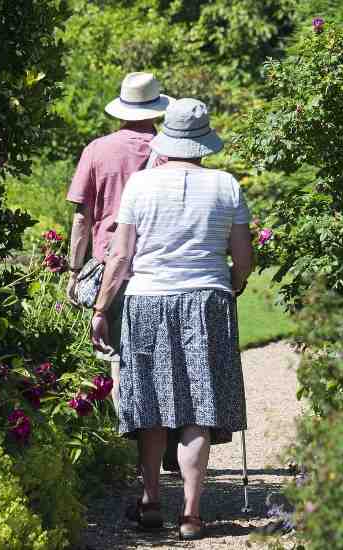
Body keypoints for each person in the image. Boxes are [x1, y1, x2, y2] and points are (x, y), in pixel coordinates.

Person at [90, 98, 253, 540]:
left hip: (147, 301)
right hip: (206, 301)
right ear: (203, 141)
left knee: (151, 405)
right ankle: (192, 514)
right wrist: (232, 285)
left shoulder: (140, 186)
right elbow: (243, 257)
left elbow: (120, 255)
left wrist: (102, 309)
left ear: (168, 137)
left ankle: (150, 503)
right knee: (199, 406)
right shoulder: (226, 186)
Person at [65, 71, 181, 472]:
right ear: (156, 110)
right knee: (163, 357)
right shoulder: (170, 153)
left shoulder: (97, 150)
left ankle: (131, 444)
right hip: (157, 267)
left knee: (119, 357)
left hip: (109, 266)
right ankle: (166, 438)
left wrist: (74, 269)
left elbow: (83, 218)